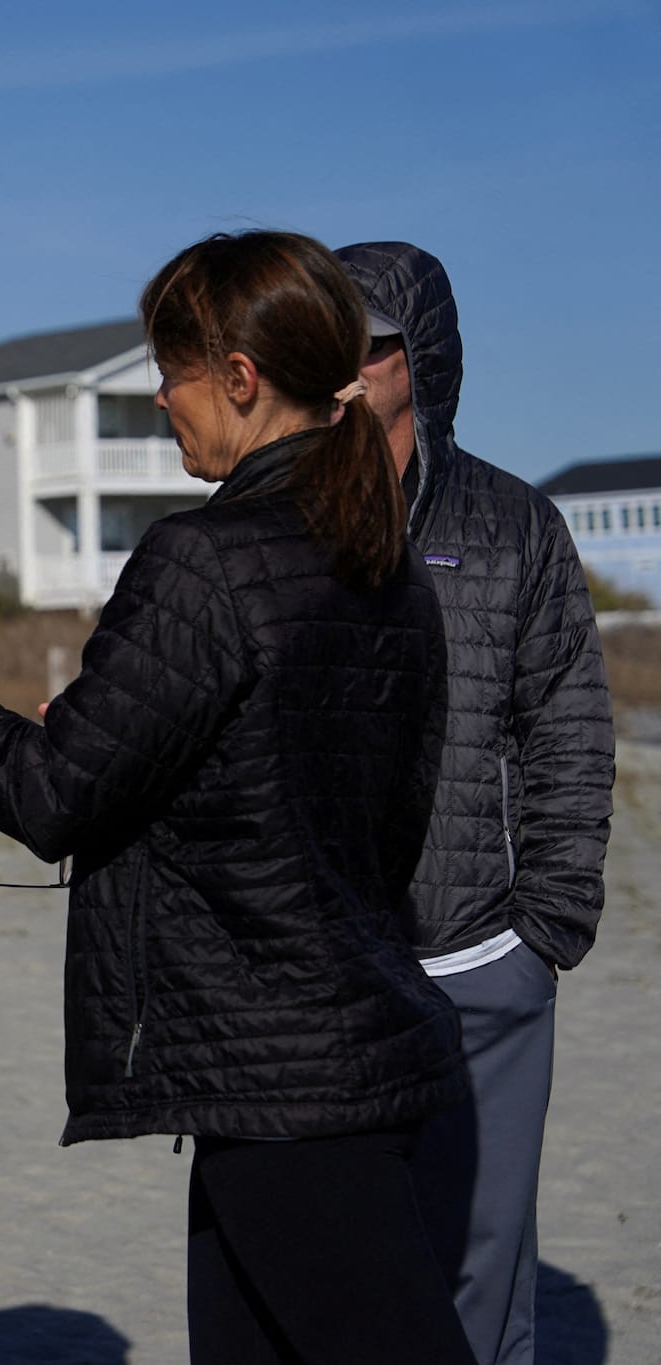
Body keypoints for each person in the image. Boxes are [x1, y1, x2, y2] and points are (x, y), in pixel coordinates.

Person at [0, 230, 476, 1365]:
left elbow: (54, 795)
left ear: (237, 379)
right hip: (346, 1053)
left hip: (286, 1084)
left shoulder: (207, 556)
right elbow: (314, 794)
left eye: (171, 369)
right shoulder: (373, 554)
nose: (156, 397)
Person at [337, 240, 613, 1365]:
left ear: (423, 356)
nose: (340, 368)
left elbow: (567, 732)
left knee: (480, 1278)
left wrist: (538, 935)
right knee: (338, 1279)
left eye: (364, 346)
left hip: (478, 963)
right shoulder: (274, 518)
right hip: (323, 979)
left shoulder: (514, 525)